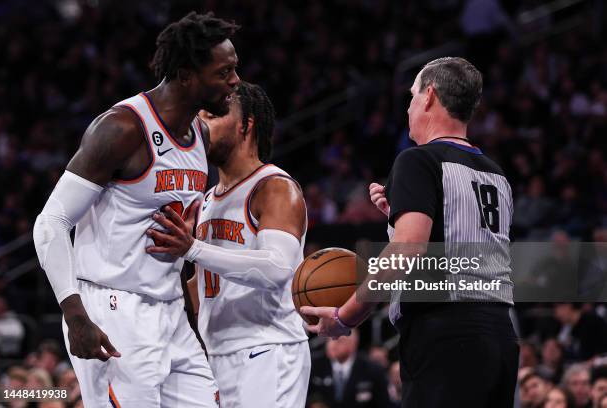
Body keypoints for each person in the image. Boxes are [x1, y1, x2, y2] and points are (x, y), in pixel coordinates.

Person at [33, 11, 240, 407]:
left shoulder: (197, 134)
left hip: (169, 310)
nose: (234, 81)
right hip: (113, 309)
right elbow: (51, 223)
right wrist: (75, 314)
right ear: (185, 75)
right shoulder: (122, 128)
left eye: (235, 68)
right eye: (223, 72)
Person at [301, 57, 519, 407]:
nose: (408, 107)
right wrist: (398, 217)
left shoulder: (418, 160)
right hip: (500, 335)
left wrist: (347, 315)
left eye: (412, 96)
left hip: (445, 338)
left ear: (430, 96)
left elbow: (408, 250)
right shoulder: (496, 174)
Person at [146, 81, 310, 407]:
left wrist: (192, 248)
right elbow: (204, 289)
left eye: (211, 115)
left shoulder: (274, 187)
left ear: (245, 125)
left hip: (267, 351)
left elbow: (278, 268)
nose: (199, 126)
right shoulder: (207, 199)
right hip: (216, 354)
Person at [307, 329, 391, 408]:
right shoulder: (313, 365)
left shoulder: (373, 370)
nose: (332, 345)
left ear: (353, 344)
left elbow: (384, 404)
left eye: (339, 340)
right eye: (329, 340)